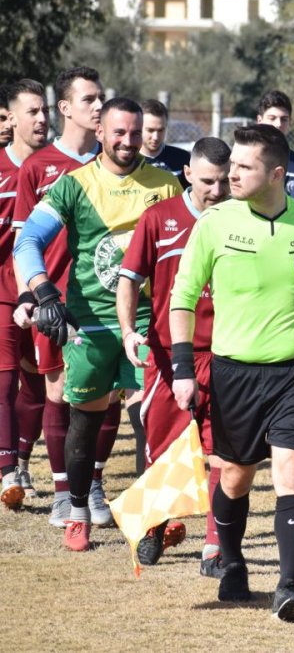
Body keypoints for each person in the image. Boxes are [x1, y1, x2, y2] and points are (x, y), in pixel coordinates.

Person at [169, 124, 294, 622]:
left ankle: (288, 588)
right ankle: (233, 560)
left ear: (276, 174)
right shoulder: (214, 223)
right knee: (237, 475)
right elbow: (181, 299)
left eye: (244, 167)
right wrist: (184, 367)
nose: (232, 174)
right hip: (233, 373)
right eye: (232, 166)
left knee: (292, 470)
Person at [13, 97, 182, 552]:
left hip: (148, 323)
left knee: (153, 418)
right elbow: (27, 240)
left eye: (134, 132)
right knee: (84, 424)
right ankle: (78, 511)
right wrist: (44, 292)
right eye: (119, 133)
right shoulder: (74, 185)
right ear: (101, 133)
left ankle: (156, 515)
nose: (128, 142)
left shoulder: (166, 186)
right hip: (89, 324)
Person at [117, 137, 232, 576]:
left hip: (227, 355)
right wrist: (129, 330)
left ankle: (215, 546)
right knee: (163, 451)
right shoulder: (158, 218)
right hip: (169, 355)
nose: (217, 191)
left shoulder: (241, 219)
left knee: (221, 452)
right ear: (187, 174)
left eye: (224, 182)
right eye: (207, 181)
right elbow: (128, 279)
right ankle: (154, 526)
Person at [11, 67, 111, 527]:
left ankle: (93, 483)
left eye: (101, 98)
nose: (97, 106)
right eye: (88, 99)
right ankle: (62, 492)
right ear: (66, 108)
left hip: (101, 299)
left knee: (108, 395)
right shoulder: (39, 167)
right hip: (55, 301)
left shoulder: (111, 164)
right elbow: (24, 241)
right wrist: (31, 295)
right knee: (57, 391)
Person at [0, 79, 49, 509]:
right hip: (3, 287)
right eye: (32, 111)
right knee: (4, 377)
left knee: (37, 384)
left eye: (45, 110)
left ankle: (24, 461)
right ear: (10, 117)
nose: (41, 119)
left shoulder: (58, 169)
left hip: (47, 290)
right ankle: (6, 468)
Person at [256, 90, 294, 193]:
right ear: (259, 121)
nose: (278, 124)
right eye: (272, 118)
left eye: (284, 119)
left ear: (290, 122)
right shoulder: (244, 160)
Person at [139, 99, 191, 189]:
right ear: (138, 127)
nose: (155, 137)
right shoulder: (128, 161)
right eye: (150, 130)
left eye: (160, 130)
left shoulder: (183, 158)